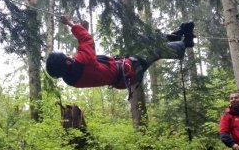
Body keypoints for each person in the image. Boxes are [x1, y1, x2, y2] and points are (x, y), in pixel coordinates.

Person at [45, 15, 195, 95]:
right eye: (67, 58)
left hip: (124, 75)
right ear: (68, 63)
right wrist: (70, 23)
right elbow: (87, 42)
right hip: (129, 71)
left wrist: (82, 29)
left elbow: (83, 53)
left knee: (143, 43)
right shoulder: (80, 63)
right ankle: (186, 42)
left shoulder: (71, 78)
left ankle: (177, 35)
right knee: (154, 51)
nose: (70, 57)